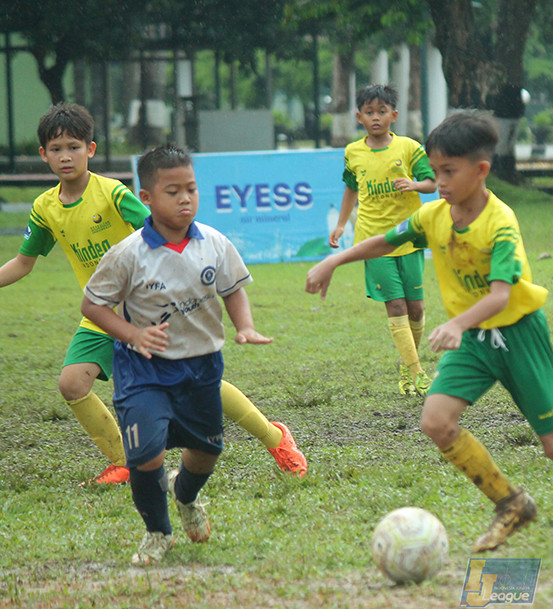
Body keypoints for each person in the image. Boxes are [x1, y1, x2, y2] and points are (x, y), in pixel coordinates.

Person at [307, 111, 553, 562]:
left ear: (481, 170)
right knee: (435, 421)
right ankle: (510, 502)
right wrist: (335, 261)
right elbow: (387, 240)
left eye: (449, 172)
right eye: (435, 171)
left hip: (518, 335)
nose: (439, 181)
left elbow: (501, 295)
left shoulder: (500, 222)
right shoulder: (434, 216)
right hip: (473, 341)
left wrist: (455, 323)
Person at [0, 103, 306, 484]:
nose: (66, 156)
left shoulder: (112, 193)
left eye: (74, 147)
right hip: (103, 314)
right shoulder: (44, 208)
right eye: (57, 148)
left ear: (90, 150)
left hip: (150, 311)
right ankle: (125, 461)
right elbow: (23, 262)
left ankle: (276, 438)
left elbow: (158, 230)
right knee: (71, 383)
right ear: (43, 154)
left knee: (198, 385)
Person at [81, 144, 271, 564]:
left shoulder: (215, 244)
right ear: (146, 197)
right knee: (145, 454)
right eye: (173, 191)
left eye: (191, 189)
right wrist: (133, 334)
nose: (185, 198)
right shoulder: (129, 253)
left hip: (202, 366)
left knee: (207, 451)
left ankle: (185, 496)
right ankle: (158, 532)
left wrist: (245, 327)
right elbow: (92, 306)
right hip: (144, 369)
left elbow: (233, 290)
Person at [328, 83, 437, 396]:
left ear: (394, 115)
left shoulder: (409, 148)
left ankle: (407, 367)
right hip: (372, 241)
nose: (375, 117)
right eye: (369, 112)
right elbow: (351, 188)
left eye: (382, 112)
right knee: (396, 304)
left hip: (409, 236)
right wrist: (340, 225)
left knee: (416, 307)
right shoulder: (353, 152)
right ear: (359, 116)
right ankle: (417, 372)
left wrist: (414, 186)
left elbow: (432, 183)